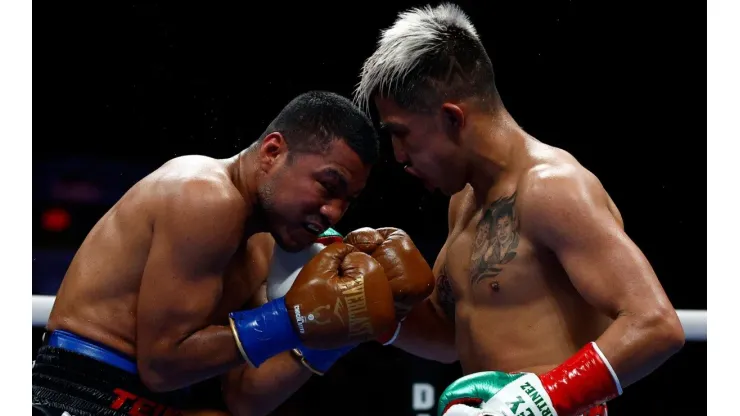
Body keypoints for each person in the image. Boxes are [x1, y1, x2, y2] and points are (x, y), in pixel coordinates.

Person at [352, 4, 686, 416]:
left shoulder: (552, 188)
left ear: (452, 118)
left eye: (401, 134)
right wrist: (376, 314)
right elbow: (447, 337)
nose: (399, 156)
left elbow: (656, 324)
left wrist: (540, 400)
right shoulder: (464, 201)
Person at [32, 91, 408, 416]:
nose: (334, 212)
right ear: (272, 152)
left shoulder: (265, 242)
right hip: (76, 396)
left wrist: (344, 327)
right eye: (328, 186)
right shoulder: (205, 194)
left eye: (348, 201)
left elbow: (247, 398)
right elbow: (162, 366)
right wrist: (295, 318)